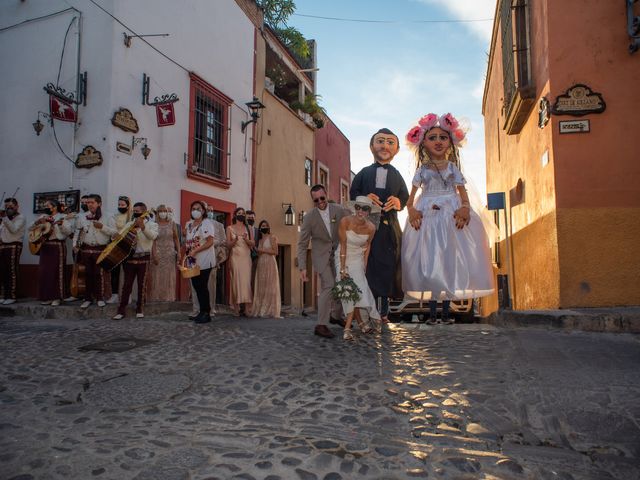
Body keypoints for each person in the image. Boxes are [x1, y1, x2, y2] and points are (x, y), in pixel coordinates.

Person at [402, 113, 494, 323]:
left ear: (450, 143)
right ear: (424, 143)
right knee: (431, 259)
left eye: (443, 138)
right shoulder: (422, 170)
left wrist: (465, 209)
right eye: (432, 137)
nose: (438, 141)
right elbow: (410, 198)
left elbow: (464, 195)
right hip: (427, 216)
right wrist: (412, 210)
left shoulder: (453, 168)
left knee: (449, 258)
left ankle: (445, 313)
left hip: (452, 216)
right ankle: (433, 312)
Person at [350, 128, 409, 323]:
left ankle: (383, 311)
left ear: (397, 149)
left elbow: (404, 196)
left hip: (388, 228)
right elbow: (353, 194)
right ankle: (366, 309)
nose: (385, 146)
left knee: (387, 268)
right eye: (380, 141)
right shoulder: (363, 173)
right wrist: (364, 199)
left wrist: (399, 202)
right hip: (365, 228)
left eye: (390, 142)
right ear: (371, 146)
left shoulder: (398, 175)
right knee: (367, 268)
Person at [296, 184, 350, 338]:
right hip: (320, 257)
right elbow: (302, 243)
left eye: (322, 197)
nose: (320, 201)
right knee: (329, 285)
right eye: (315, 200)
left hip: (338, 255)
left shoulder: (338, 210)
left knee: (340, 285)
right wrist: (302, 267)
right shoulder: (309, 217)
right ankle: (321, 325)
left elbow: (353, 219)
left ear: (326, 194)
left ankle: (336, 315)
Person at [336, 196, 382, 341]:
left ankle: (371, 318)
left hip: (358, 258)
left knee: (360, 288)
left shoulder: (371, 228)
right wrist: (343, 269)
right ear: (354, 208)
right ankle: (350, 328)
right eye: (358, 208)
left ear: (369, 211)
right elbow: (343, 245)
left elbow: (368, 246)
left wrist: (364, 265)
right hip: (342, 256)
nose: (361, 211)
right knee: (348, 292)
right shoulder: (345, 222)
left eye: (365, 209)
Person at [112, 202, 158, 319]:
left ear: (144, 211)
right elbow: (121, 237)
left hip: (144, 257)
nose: (135, 213)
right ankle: (121, 310)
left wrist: (142, 227)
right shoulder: (129, 224)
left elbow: (152, 236)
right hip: (129, 258)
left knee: (142, 285)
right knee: (126, 285)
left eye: (138, 211)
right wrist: (116, 237)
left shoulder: (152, 224)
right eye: (134, 211)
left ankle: (140, 309)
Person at [32, 200, 73, 306]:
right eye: (45, 205)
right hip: (45, 246)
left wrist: (61, 224)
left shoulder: (63, 217)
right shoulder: (43, 216)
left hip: (57, 246)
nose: (45, 207)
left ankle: (57, 297)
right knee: (44, 272)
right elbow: (31, 229)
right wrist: (38, 222)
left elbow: (68, 232)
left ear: (54, 207)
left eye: (47, 205)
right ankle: (47, 297)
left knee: (56, 272)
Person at [182, 200, 216, 324]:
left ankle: (206, 313)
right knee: (196, 287)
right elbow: (188, 242)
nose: (195, 211)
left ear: (203, 211)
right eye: (193, 208)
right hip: (192, 261)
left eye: (198, 208)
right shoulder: (190, 225)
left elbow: (210, 241)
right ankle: (201, 311)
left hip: (205, 260)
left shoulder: (206, 223)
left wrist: (196, 250)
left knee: (202, 286)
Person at [75, 194, 111, 308]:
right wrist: (75, 244)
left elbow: (115, 233)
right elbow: (78, 231)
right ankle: (87, 298)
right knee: (87, 274)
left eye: (92, 202)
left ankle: (100, 298)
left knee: (99, 274)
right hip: (86, 249)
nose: (89, 204)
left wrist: (102, 227)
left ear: (99, 203)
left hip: (100, 249)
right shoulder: (82, 216)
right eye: (88, 202)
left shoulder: (108, 216)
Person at [149, 204, 180, 302]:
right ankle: (156, 298)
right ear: (157, 213)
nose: (163, 213)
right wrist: (154, 254)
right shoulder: (153, 224)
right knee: (157, 276)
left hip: (169, 254)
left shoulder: (172, 223)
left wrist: (179, 252)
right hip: (157, 253)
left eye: (164, 211)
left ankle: (168, 298)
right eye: (160, 211)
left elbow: (176, 238)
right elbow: (152, 240)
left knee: (169, 276)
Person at [226, 207, 254, 316]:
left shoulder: (249, 228)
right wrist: (235, 240)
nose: (241, 215)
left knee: (246, 282)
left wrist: (246, 239)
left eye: (243, 213)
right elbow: (228, 245)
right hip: (235, 257)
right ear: (235, 215)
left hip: (246, 258)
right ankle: (236, 308)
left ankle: (247, 308)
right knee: (236, 281)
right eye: (239, 213)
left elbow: (253, 244)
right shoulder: (229, 228)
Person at [251, 220, 281, 318]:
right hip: (261, 263)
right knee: (261, 285)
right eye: (262, 225)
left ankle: (270, 310)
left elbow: (276, 251)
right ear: (260, 228)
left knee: (270, 285)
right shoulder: (259, 240)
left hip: (270, 263)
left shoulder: (272, 237)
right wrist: (255, 249)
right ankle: (261, 308)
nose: (264, 227)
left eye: (266, 225)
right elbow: (259, 253)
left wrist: (261, 250)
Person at [106, 196, 132, 304]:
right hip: (115, 246)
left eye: (123, 205)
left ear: (128, 205)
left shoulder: (131, 217)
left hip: (127, 247)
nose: (120, 207)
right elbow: (111, 230)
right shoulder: (113, 216)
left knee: (127, 272)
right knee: (114, 272)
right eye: (119, 205)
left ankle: (128, 295)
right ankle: (115, 295)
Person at [0, 197, 26, 305]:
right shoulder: (4, 219)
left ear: (16, 206)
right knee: (2, 271)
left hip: (14, 246)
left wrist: (5, 218)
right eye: (6, 207)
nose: (8, 209)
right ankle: (3, 295)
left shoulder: (21, 217)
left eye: (10, 206)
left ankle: (12, 296)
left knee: (11, 271)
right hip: (2, 246)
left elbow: (14, 230)